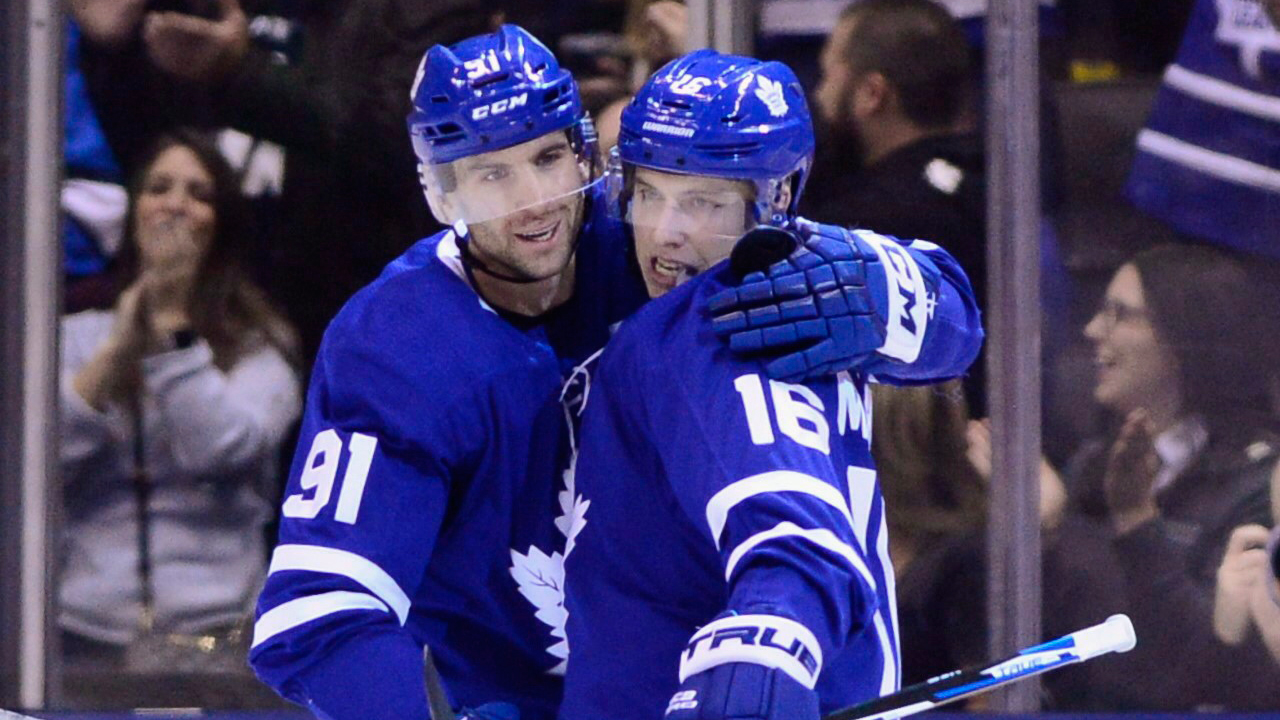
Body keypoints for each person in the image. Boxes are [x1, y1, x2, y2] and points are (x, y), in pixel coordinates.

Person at [248, 26, 910, 720]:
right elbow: (324, 614)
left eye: (546, 159)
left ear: (584, 155)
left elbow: (942, 324)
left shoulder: (660, 242)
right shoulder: (395, 345)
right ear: (444, 191)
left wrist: (897, 304)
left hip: (704, 684)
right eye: (492, 173)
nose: (532, 200)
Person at [559, 49, 983, 720]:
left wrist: (763, 654)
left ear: (776, 196)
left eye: (701, 200)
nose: (666, 235)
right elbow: (956, 317)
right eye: (649, 193)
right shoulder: (800, 271)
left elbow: (795, 543)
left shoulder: (715, 318)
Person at [59, 129, 301, 673]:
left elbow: (222, 453)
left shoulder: (261, 347)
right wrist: (118, 350)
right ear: (134, 210)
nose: (175, 206)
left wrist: (172, 332)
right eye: (159, 188)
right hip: (81, 637)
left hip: (217, 642)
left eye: (199, 194)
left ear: (224, 224)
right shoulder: (75, 337)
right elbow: (35, 466)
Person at [1055, 243, 1280, 709]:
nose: (1094, 330)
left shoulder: (1258, 485)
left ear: (1180, 340)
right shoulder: (1089, 465)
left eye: (1121, 314)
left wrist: (1137, 521)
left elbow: (1204, 670)